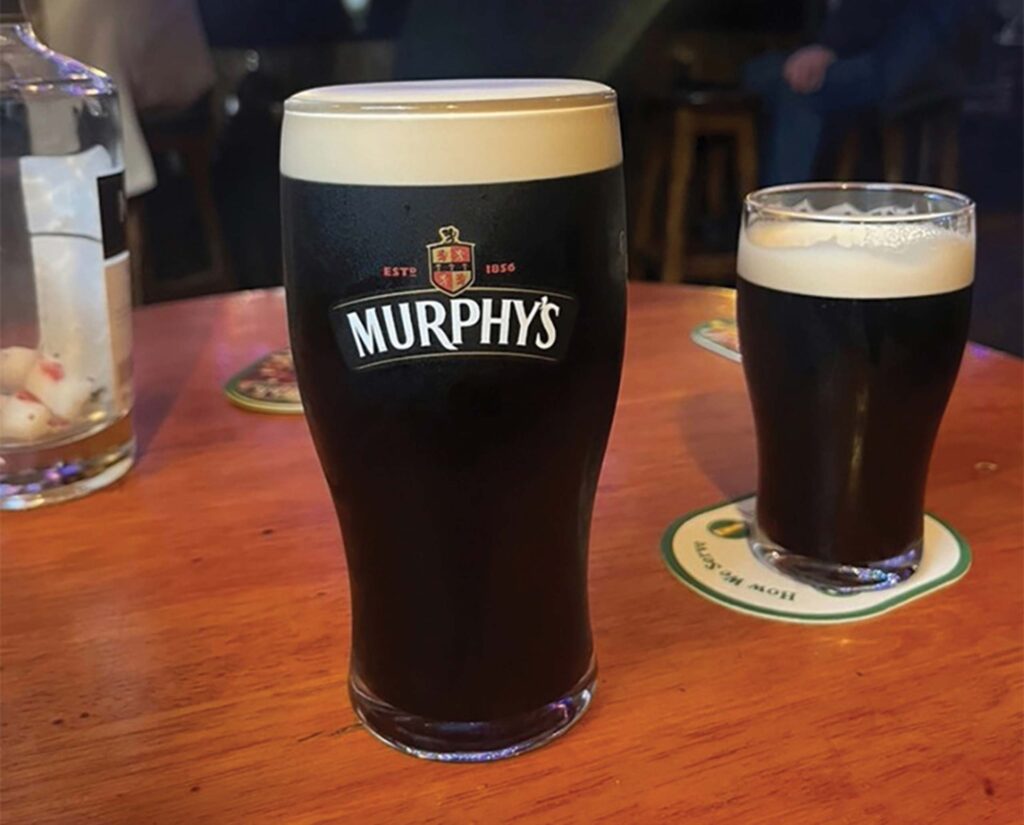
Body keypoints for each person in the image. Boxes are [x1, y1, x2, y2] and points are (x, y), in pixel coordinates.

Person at [744, 0, 982, 185]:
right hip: (864, 57)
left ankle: (782, 216)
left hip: (909, 63)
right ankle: (771, 209)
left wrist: (828, 47)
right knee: (768, 76)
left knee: (798, 90)